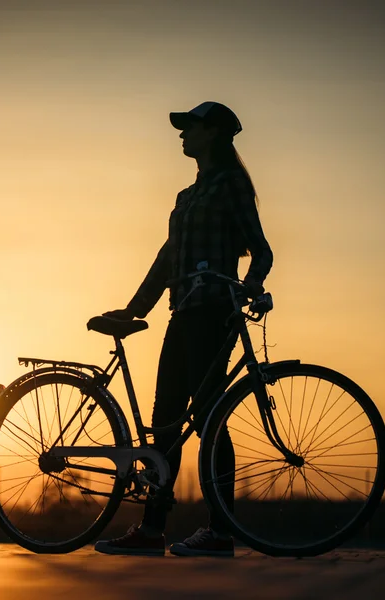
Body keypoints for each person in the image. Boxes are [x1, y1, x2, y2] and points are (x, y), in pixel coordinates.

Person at [94, 101, 273, 557]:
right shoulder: (186, 196)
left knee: (211, 417)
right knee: (166, 422)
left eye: (190, 128)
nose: (181, 135)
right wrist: (134, 310)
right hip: (182, 315)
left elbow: (261, 251)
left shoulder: (231, 185)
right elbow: (166, 260)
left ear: (212, 133)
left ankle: (219, 531)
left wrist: (248, 288)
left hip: (215, 313)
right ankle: (152, 530)